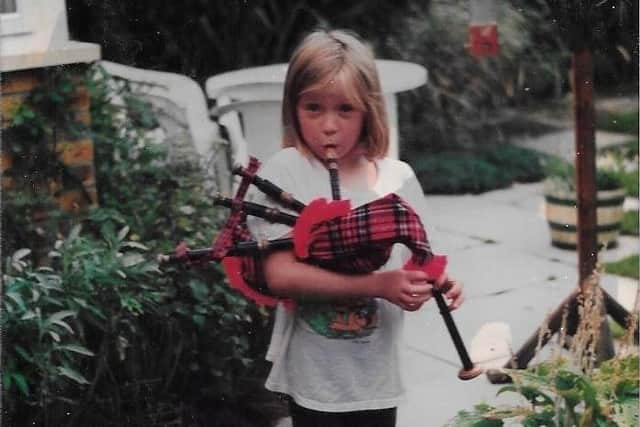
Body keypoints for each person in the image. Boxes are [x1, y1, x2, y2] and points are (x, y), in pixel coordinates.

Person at [246, 29, 464, 427]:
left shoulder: (397, 178)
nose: (329, 126)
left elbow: (419, 257)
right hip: (316, 380)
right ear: (292, 109)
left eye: (345, 109)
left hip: (377, 376)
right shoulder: (285, 173)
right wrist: (376, 285)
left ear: (369, 111)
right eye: (313, 108)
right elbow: (278, 274)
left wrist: (437, 281)